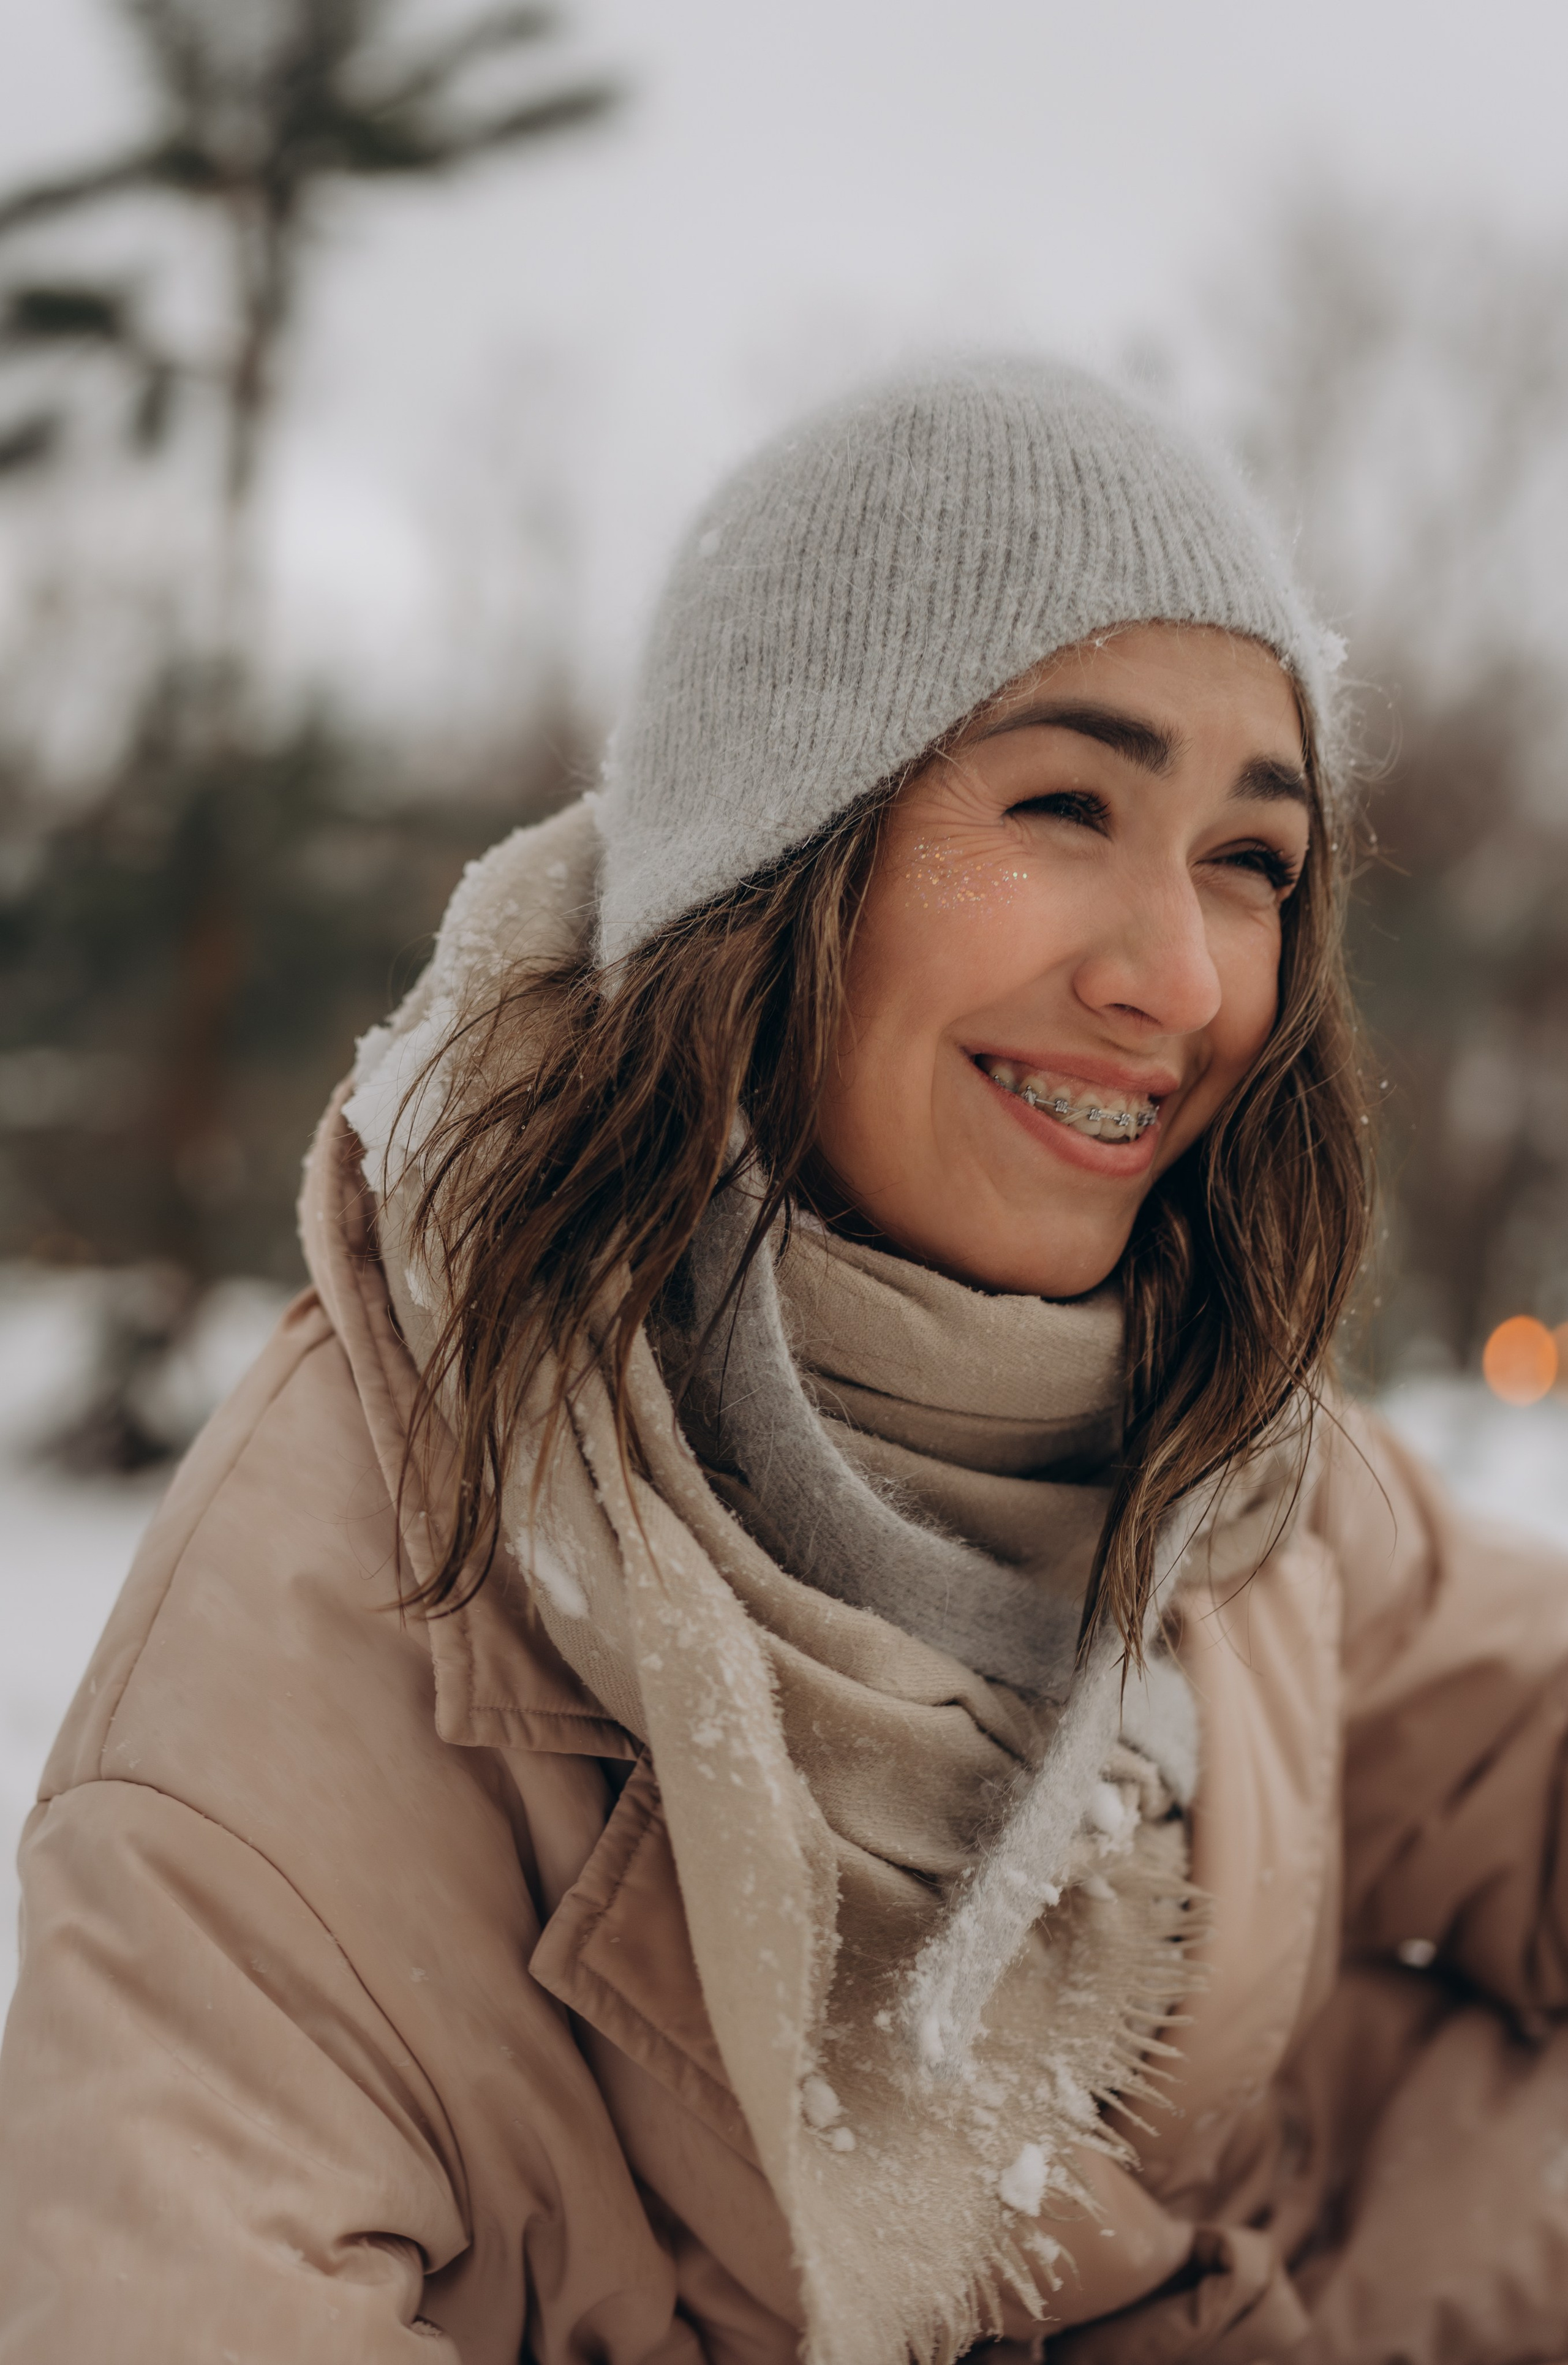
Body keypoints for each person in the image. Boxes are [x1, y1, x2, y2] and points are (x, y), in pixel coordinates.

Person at [1, 360, 1566, 2365]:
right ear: (774, 868)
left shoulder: (1214, 1431)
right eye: (1066, 808)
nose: (1178, 982)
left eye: (1250, 863)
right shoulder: (338, 1607)